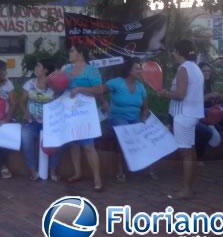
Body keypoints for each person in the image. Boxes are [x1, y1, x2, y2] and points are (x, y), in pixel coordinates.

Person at [159, 40, 204, 199]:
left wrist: (165, 93)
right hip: (192, 114)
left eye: (174, 51)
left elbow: (180, 94)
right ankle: (190, 186)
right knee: (191, 151)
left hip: (183, 115)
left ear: (179, 52)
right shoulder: (195, 68)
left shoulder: (183, 68)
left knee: (186, 153)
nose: (172, 54)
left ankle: (186, 189)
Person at [63, 44, 104, 191]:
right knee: (73, 144)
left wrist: (81, 89)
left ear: (80, 53)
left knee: (88, 146)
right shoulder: (66, 70)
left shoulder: (91, 70)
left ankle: (97, 178)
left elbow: (99, 90)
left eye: (72, 50)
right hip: (70, 113)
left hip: (86, 114)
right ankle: (77, 172)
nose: (70, 53)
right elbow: (60, 87)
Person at [103, 57, 150, 183]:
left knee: (143, 132)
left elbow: (145, 108)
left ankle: (144, 166)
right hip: (118, 117)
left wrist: (144, 117)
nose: (140, 71)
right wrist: (104, 104)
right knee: (124, 132)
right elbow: (99, 91)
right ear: (129, 70)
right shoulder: (116, 83)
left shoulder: (141, 87)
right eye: (137, 68)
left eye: (141, 69)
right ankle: (120, 169)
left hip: (134, 118)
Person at [20, 58, 60, 181]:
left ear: (45, 70)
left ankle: (53, 170)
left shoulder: (54, 87)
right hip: (31, 121)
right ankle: (33, 170)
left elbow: (59, 104)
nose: (35, 68)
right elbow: (22, 101)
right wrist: (25, 112)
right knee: (25, 138)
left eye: (38, 66)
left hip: (50, 122)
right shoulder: (29, 83)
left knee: (57, 141)